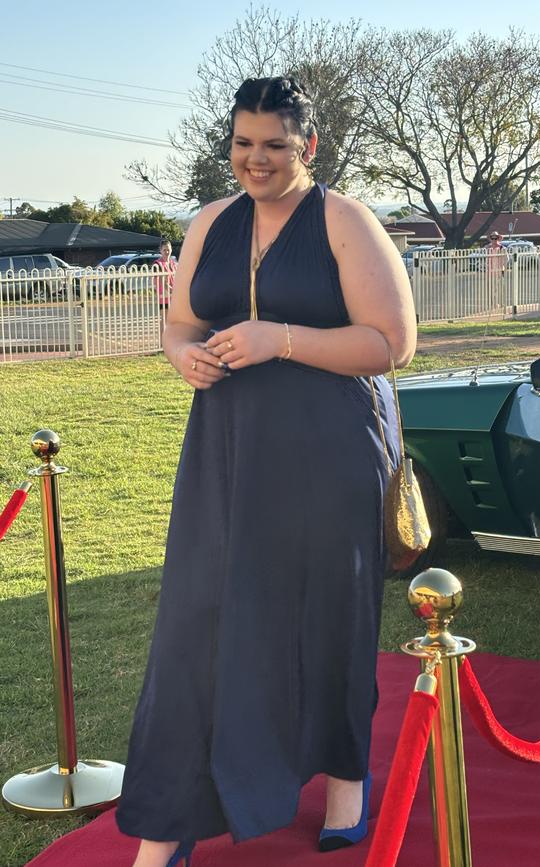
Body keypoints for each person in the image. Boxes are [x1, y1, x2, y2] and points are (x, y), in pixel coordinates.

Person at [115, 75, 417, 867]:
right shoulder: (209, 222)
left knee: (329, 614)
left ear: (307, 145)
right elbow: (180, 323)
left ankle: (346, 776)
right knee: (197, 622)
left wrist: (279, 337)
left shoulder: (346, 222)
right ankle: (171, 819)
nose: (257, 160)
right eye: (244, 144)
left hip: (331, 451)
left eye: (275, 146)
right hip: (225, 450)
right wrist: (186, 356)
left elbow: (392, 343)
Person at [484, 231, 508, 313]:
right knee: (491, 289)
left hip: (499, 271)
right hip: (490, 272)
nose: (494, 240)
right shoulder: (487, 248)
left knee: (500, 289)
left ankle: (501, 304)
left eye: (496, 238)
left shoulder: (502, 248)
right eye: (492, 238)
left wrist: (503, 268)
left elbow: (506, 259)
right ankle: (493, 304)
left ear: (498, 238)